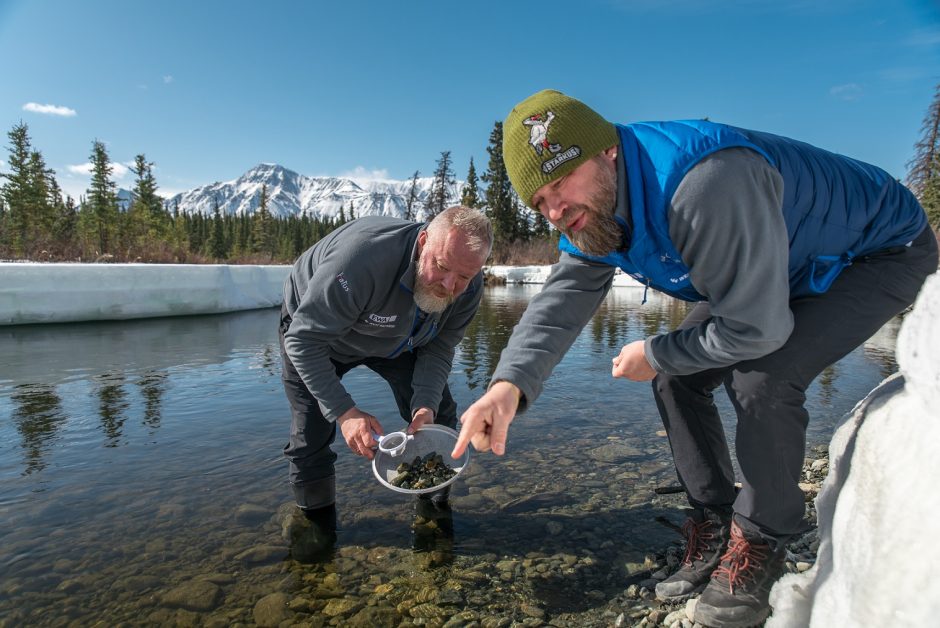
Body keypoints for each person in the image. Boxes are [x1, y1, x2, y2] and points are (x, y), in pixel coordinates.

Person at [451, 89, 937, 627]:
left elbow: (757, 328)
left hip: (874, 253)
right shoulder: (594, 214)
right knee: (676, 378)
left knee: (763, 379)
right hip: (772, 258)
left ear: (607, 151)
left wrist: (656, 350)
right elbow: (560, 302)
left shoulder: (701, 181)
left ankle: (764, 539)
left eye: (560, 183)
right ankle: (714, 517)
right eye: (539, 202)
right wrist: (507, 385)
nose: (556, 212)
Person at [280, 205, 493, 529]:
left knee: (439, 416)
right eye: (441, 266)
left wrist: (424, 405)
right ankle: (315, 529)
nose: (449, 285)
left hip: (400, 338)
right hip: (318, 334)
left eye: (464, 277)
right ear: (423, 241)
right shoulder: (362, 259)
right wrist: (345, 412)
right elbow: (303, 342)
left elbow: (438, 348)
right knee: (312, 433)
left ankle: (434, 510)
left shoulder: (469, 289)